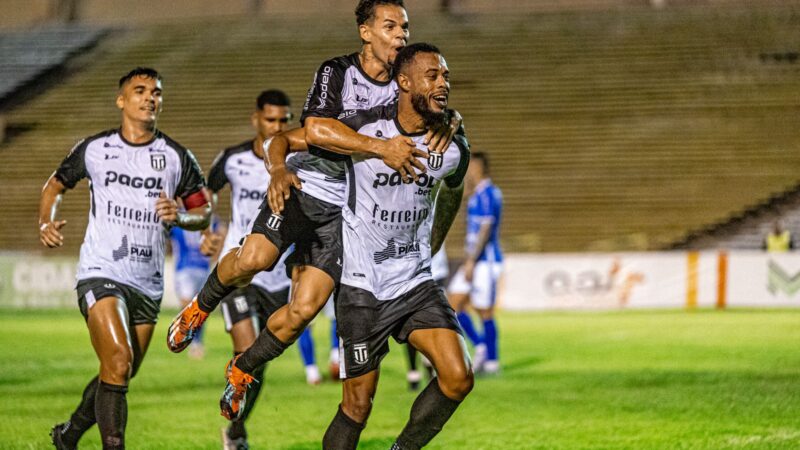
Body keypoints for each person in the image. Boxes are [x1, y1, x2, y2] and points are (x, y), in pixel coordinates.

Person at [167, 0, 459, 420]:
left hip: (346, 213)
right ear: (365, 31)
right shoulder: (337, 72)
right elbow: (315, 128)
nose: (401, 35)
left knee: (303, 311)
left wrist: (451, 118)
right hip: (306, 187)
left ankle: (241, 369)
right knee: (255, 258)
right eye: (391, 26)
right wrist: (286, 166)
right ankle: (200, 306)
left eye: (405, 27)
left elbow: (434, 110)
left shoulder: (403, 83)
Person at [42, 67, 210, 450]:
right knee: (118, 359)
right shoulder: (96, 149)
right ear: (122, 100)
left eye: (156, 92)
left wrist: (181, 216)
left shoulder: (176, 156)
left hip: (148, 283)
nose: (150, 97)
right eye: (140, 90)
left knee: (119, 371)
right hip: (102, 270)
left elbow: (203, 212)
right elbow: (55, 184)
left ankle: (68, 435)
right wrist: (45, 222)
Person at [318, 42, 472, 449]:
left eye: (446, 76)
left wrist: (435, 240)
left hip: (415, 282)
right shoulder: (364, 130)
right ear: (403, 81)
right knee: (357, 406)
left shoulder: (453, 146)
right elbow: (310, 132)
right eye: (433, 76)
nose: (444, 84)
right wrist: (279, 165)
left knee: (458, 377)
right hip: (361, 286)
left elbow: (453, 191)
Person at [204, 89, 297, 449]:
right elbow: (204, 195)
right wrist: (208, 231)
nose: (277, 126)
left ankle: (236, 428)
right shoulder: (232, 159)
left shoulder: (297, 162)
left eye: (283, 120)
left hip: (278, 278)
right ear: (256, 118)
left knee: (257, 365)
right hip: (238, 271)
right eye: (270, 119)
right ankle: (235, 430)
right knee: (246, 355)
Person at [448, 151, 503, 374]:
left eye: (471, 167)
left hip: (485, 261)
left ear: (479, 167)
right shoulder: (477, 194)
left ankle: (492, 361)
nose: (468, 171)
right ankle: (480, 346)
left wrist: (471, 260)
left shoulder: (489, 193)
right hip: (474, 261)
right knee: (452, 304)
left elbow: (486, 228)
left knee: (484, 310)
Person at [405, 246, 448, 390]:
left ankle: (427, 366)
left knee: (433, 328)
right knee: (409, 325)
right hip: (411, 279)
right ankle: (414, 371)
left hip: (433, 278)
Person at [169, 225, 212, 359]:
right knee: (187, 306)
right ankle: (183, 338)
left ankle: (197, 342)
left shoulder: (207, 218)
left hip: (203, 268)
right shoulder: (178, 221)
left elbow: (219, 232)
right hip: (184, 268)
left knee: (200, 308)